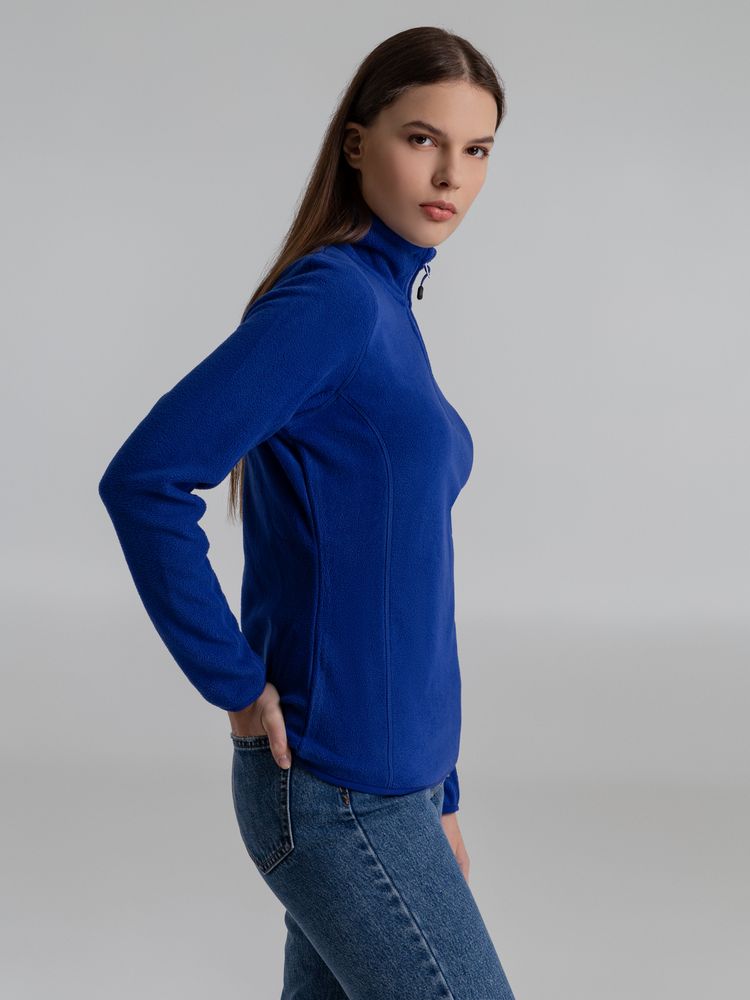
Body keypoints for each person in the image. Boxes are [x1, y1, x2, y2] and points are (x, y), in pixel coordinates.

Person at [98, 25, 516, 1000]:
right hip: (337, 792)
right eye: (423, 139)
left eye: (477, 149)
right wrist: (236, 685)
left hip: (397, 786)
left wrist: (441, 791)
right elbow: (147, 481)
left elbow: (407, 578)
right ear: (357, 144)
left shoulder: (389, 304)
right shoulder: (335, 300)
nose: (451, 175)